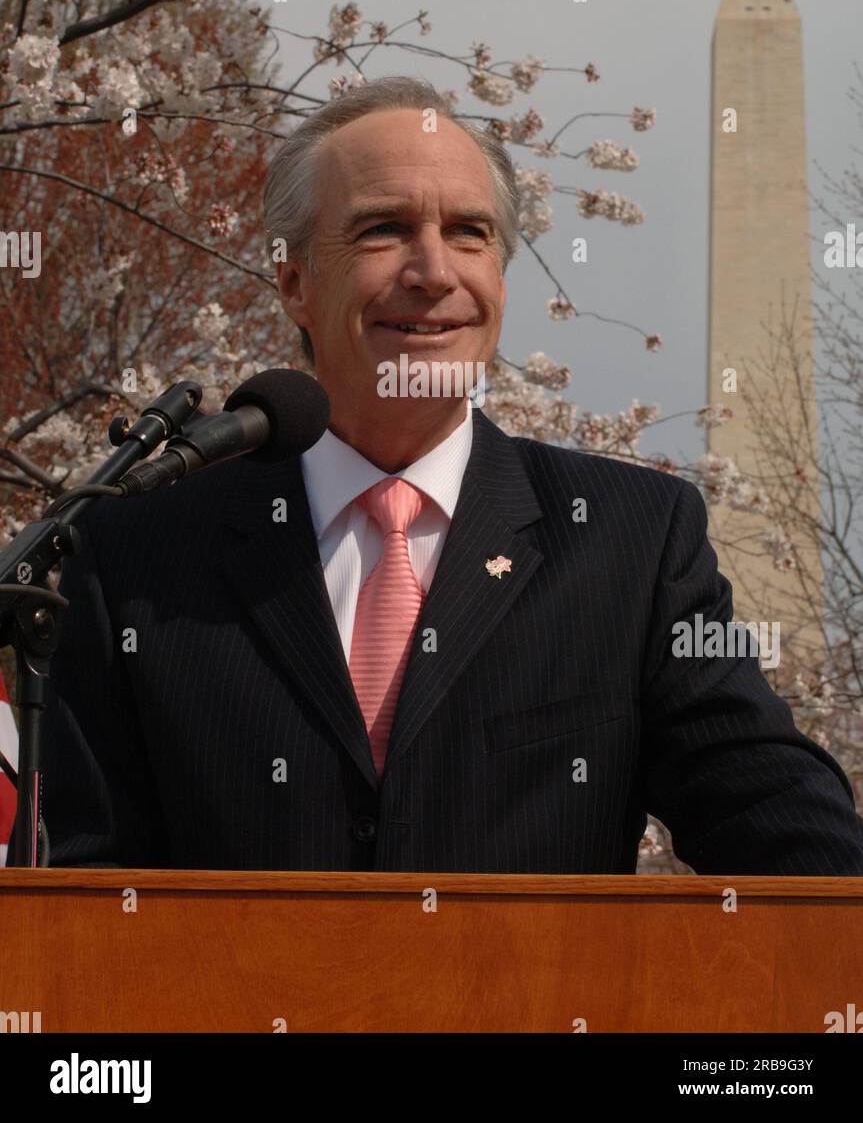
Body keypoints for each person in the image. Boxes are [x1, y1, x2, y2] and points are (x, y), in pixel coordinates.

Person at [23, 75, 863, 873]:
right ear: (292, 281)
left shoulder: (634, 543)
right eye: (382, 229)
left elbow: (770, 811)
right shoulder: (138, 556)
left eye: (469, 232)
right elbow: (80, 892)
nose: (434, 272)